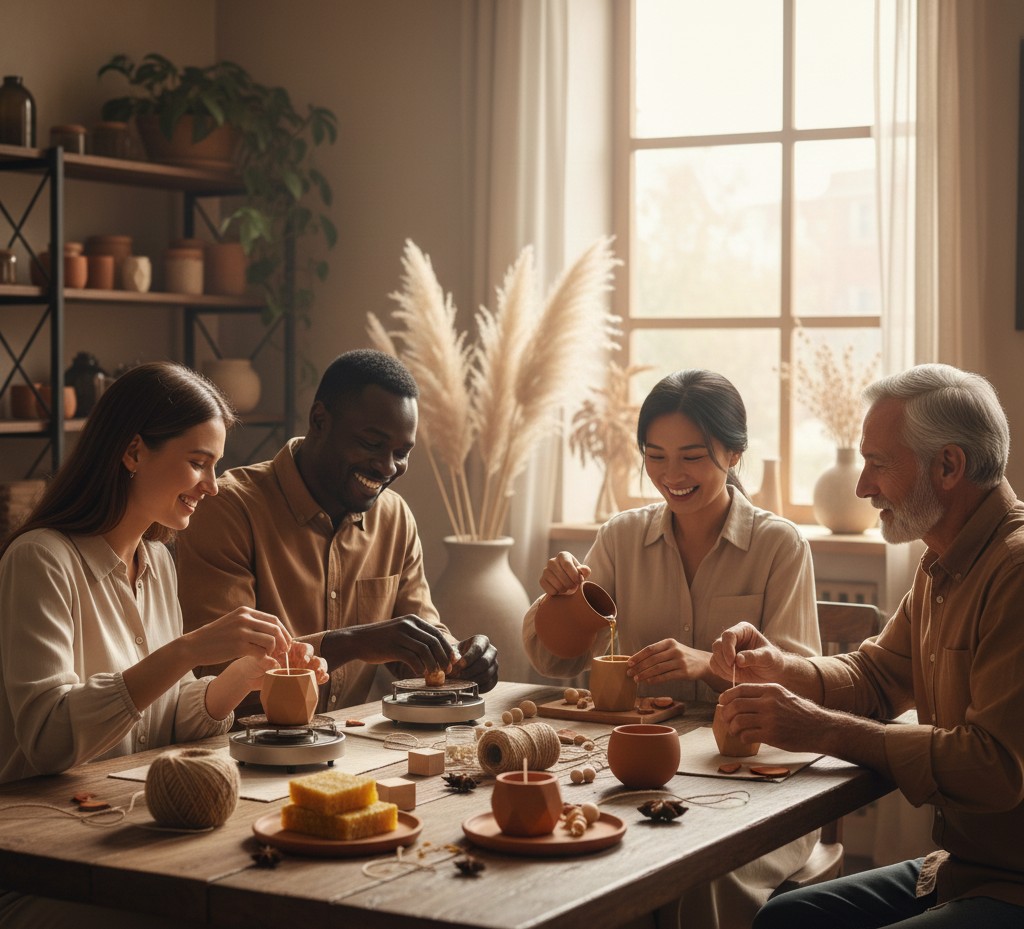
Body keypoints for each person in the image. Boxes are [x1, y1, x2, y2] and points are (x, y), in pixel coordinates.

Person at [0, 362, 326, 928]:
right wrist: (186, 651)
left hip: (122, 839)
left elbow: (162, 724)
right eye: (198, 462)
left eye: (216, 465)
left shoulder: (157, 562)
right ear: (132, 453)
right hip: (40, 865)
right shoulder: (41, 560)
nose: (213, 485)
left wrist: (241, 677)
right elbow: (49, 739)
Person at [711, 363, 1024, 929]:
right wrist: (782, 668)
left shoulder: (1018, 572)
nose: (862, 485)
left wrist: (820, 729)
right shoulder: (940, 565)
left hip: (1013, 886)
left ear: (949, 466)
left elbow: (994, 768)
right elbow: (877, 677)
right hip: (960, 868)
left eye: (878, 463)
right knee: (785, 920)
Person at [522, 369, 822, 929]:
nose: (671, 475)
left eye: (691, 457)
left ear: (733, 452)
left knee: (698, 874)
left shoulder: (779, 545)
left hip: (751, 786)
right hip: (632, 772)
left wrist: (710, 667)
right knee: (573, 866)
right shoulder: (621, 536)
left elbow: (799, 688)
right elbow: (553, 660)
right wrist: (560, 598)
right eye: (655, 456)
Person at [176, 348, 498, 715]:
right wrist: (350, 643)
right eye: (372, 444)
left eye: (402, 452)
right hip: (238, 750)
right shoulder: (229, 509)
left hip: (347, 749)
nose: (387, 467)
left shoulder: (395, 519)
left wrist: (458, 658)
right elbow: (217, 672)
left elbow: (416, 645)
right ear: (319, 420)